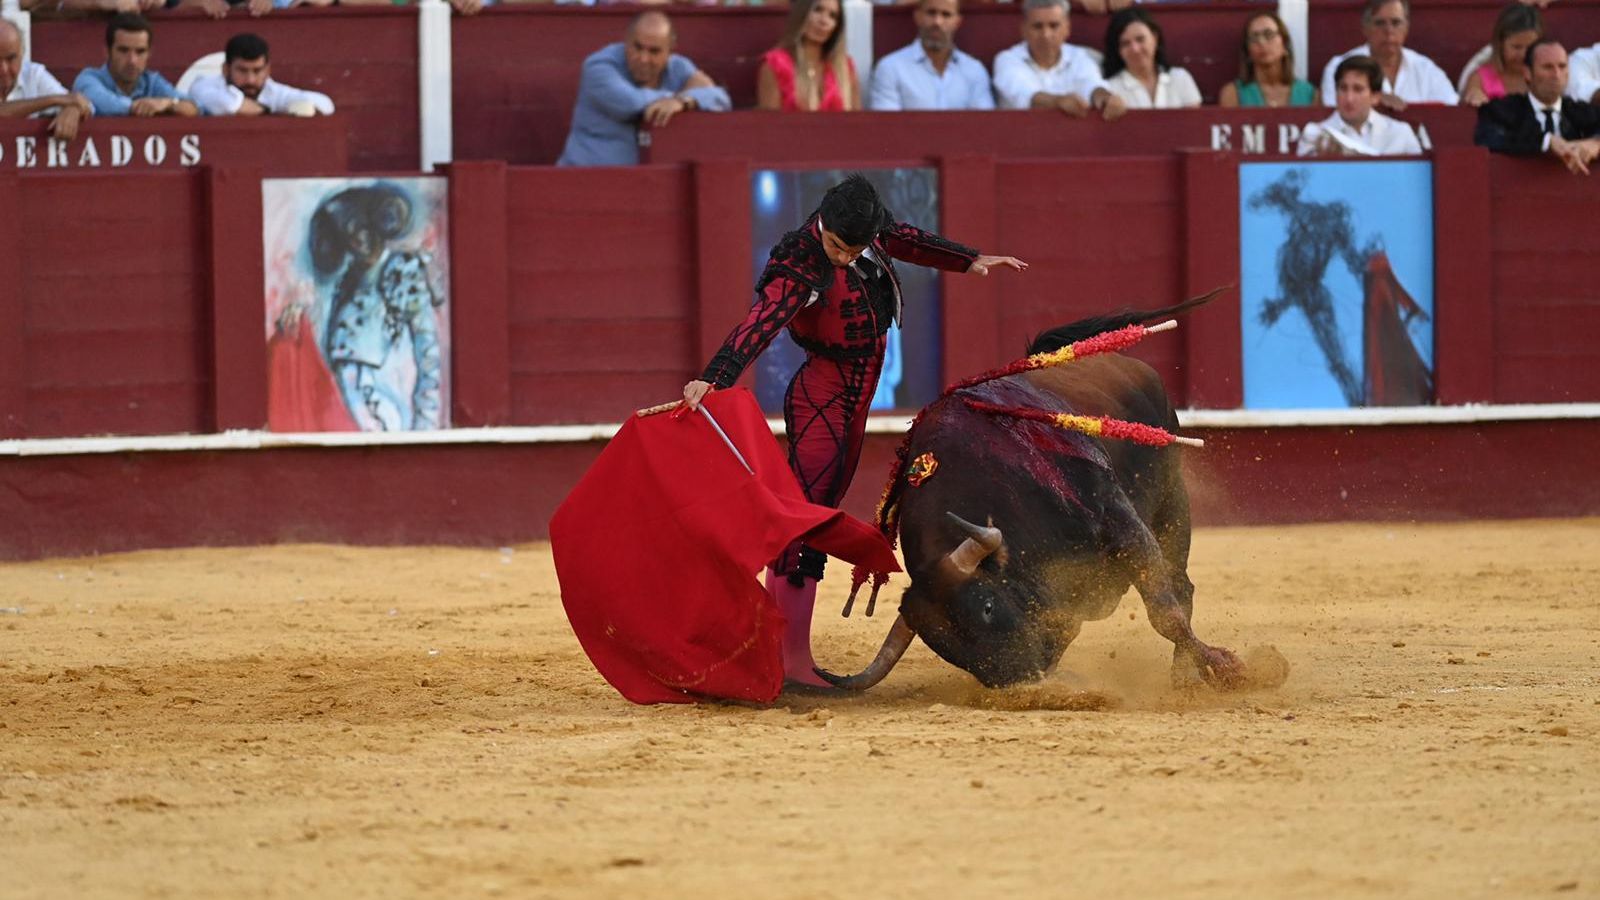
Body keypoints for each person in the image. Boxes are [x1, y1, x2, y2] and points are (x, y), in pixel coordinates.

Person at [679, 174, 1026, 689]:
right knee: (807, 522)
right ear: (823, 225)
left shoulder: (867, 227)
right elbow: (761, 322)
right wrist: (715, 377)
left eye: (854, 249)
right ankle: (790, 662)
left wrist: (969, 259)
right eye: (838, 247)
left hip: (852, 398)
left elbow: (906, 237)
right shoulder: (799, 262)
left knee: (807, 516)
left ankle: (777, 650)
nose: (842, 258)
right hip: (824, 396)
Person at [557, 11, 730, 167]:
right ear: (625, 41)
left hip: (647, 184)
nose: (643, 58)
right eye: (637, 47)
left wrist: (682, 101)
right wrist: (682, 97)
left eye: (654, 51)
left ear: (670, 52)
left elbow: (721, 100)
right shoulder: (598, 66)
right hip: (583, 180)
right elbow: (629, 103)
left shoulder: (678, 67)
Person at [1475, 40, 1600, 175]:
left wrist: (1596, 143)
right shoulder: (1502, 110)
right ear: (1527, 73)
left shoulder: (1581, 111)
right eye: (1547, 67)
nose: (1556, 75)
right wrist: (1546, 142)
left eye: (1562, 66)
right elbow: (1488, 139)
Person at [992, 0, 1125, 120]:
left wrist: (1105, 99)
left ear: (1067, 29)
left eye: (1054, 26)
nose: (1046, 34)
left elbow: (1091, 84)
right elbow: (1025, 94)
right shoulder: (1007, 59)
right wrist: (1058, 102)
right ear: (1023, 29)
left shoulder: (1079, 56)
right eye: (1038, 26)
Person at [1319, 0, 1457, 111]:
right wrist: (1373, 100)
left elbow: (1453, 111)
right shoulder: (1340, 66)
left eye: (1396, 23)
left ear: (1406, 29)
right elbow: (1333, 116)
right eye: (1380, 23)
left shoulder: (1426, 70)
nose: (1389, 31)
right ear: (1365, 29)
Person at [868, 0, 994, 111]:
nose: (937, 22)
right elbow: (887, 128)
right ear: (917, 17)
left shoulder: (974, 71)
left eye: (946, 15)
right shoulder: (891, 68)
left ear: (957, 22)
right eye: (931, 13)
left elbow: (983, 126)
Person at [72, 14, 197, 118]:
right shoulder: (88, 78)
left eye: (140, 51)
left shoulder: (152, 81)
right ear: (107, 52)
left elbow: (195, 108)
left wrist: (169, 104)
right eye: (123, 50)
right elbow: (103, 103)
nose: (132, 61)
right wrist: (142, 107)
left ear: (149, 53)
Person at [1298, 55, 1423, 157]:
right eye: (1343, 88)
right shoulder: (1315, 134)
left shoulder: (1400, 133)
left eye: (1358, 89)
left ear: (1375, 97)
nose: (1349, 98)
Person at [188, 33, 334, 117]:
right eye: (242, 71)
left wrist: (302, 107)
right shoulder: (205, 85)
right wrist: (266, 111)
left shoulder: (274, 91)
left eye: (257, 71)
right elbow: (225, 105)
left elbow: (326, 104)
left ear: (267, 70)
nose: (250, 79)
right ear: (226, 69)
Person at [756, 0, 860, 112]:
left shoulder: (845, 67)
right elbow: (769, 125)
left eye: (832, 16)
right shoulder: (775, 64)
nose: (824, 21)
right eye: (817, 10)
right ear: (802, 12)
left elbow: (857, 123)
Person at [0, 18, 94, 141]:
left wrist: (73, 109)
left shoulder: (33, 74)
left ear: (22, 54)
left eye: (11, 58)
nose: (4, 69)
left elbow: (85, 105)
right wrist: (53, 100)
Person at [1101, 7, 1200, 109]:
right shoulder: (1110, 88)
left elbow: (1195, 122)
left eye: (1140, 39)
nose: (1135, 49)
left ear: (1155, 38)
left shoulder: (1180, 78)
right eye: (1125, 43)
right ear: (1118, 50)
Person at [1218, 11, 1319, 108]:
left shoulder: (1310, 94)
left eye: (1269, 34)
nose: (1262, 42)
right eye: (1254, 37)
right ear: (1247, 51)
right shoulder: (1233, 93)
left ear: (1284, 45)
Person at [1460, 3, 1543, 107]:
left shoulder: (1545, 76)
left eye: (1530, 47)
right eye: (1516, 47)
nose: (1523, 54)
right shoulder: (1480, 80)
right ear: (1500, 44)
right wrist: (1473, 96)